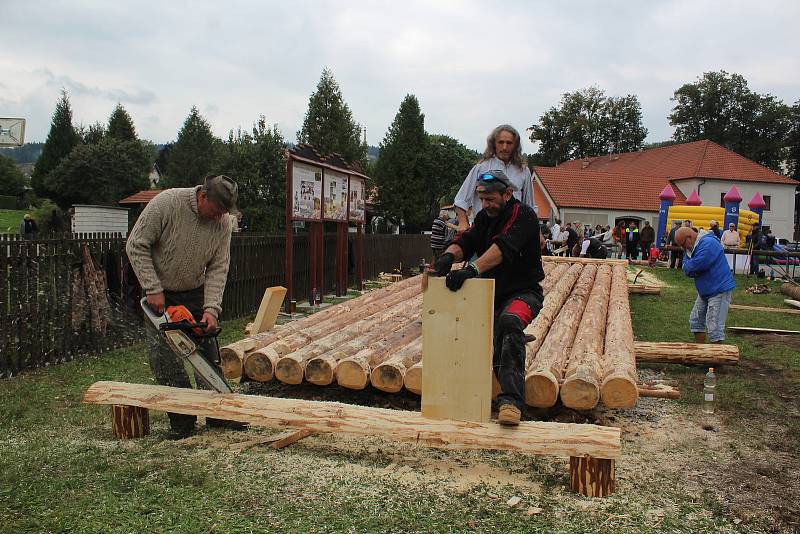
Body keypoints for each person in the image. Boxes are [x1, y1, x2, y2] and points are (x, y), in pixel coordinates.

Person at [126, 175, 244, 439]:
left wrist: (212, 309)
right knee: (166, 363)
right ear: (203, 196)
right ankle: (182, 421)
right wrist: (152, 287)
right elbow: (136, 245)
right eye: (217, 210)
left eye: (225, 212)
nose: (220, 217)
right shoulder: (167, 203)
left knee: (208, 358)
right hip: (161, 294)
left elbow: (218, 266)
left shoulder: (223, 223)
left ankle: (219, 414)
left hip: (195, 292)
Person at [430, 169, 544, 426]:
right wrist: (449, 256)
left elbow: (502, 249)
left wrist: (471, 269)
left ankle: (513, 402)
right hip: (489, 293)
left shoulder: (524, 216)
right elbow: (467, 240)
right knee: (485, 343)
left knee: (510, 321)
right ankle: (462, 392)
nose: (486, 204)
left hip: (524, 292)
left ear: (507, 194)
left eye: (491, 198)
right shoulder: (483, 217)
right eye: (482, 198)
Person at [454, 125, 536, 232]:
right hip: (485, 230)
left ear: (515, 145)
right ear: (494, 144)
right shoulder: (481, 168)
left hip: (513, 232)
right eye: (501, 142)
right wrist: (463, 222)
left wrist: (536, 232)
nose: (505, 147)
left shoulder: (523, 171)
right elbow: (461, 200)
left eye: (509, 143)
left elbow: (530, 206)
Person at [675, 227, 736, 343]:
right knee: (696, 321)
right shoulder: (692, 248)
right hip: (705, 290)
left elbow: (696, 265)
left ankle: (717, 358)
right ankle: (700, 352)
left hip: (719, 289)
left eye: (683, 244)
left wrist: (690, 267)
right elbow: (686, 268)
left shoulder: (709, 243)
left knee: (714, 327)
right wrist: (690, 267)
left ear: (689, 237)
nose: (683, 248)